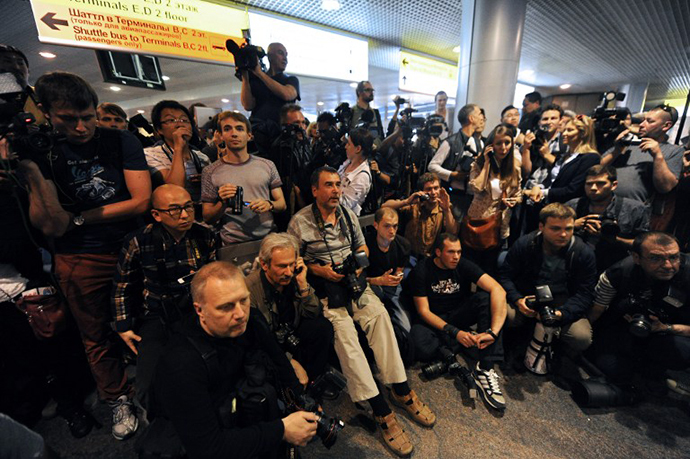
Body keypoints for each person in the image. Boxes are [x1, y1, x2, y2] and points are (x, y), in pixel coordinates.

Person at [18, 71, 151, 440]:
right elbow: (48, 223)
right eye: (69, 119)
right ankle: (118, 398)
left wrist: (78, 218)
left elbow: (140, 199)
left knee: (150, 319)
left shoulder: (120, 139)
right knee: (95, 334)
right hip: (79, 257)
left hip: (131, 246)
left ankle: (157, 388)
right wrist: (29, 169)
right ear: (46, 112)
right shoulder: (40, 151)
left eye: (88, 116)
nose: (81, 127)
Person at [288, 166, 435, 457]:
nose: (335, 190)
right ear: (315, 190)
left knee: (380, 318)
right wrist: (319, 270)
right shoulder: (299, 222)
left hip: (353, 283)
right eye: (328, 185)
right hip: (324, 289)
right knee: (345, 337)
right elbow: (293, 263)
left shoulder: (347, 214)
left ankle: (401, 387)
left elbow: (362, 249)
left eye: (337, 185)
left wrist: (356, 266)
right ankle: (380, 408)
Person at [152, 261, 318, 459]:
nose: (240, 314)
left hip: (243, 415)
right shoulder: (181, 363)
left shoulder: (252, 320)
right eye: (226, 307)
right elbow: (208, 449)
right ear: (199, 310)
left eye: (243, 301)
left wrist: (304, 401)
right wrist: (281, 430)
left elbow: (279, 361)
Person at [112, 184, 217, 413]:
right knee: (148, 385)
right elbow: (122, 287)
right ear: (156, 214)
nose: (184, 215)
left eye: (189, 207)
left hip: (195, 310)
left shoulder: (204, 235)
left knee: (211, 368)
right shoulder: (139, 241)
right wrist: (122, 326)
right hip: (157, 314)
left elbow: (213, 279)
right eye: (174, 209)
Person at [410, 233, 507, 410]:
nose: (456, 257)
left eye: (459, 252)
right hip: (434, 319)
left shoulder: (462, 264)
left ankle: (485, 367)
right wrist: (456, 332)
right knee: (420, 347)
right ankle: (462, 342)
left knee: (486, 298)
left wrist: (494, 332)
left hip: (457, 314)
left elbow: (498, 289)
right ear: (438, 252)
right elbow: (423, 311)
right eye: (451, 252)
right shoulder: (422, 269)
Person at [498, 203, 597, 369]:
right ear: (541, 227)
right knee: (505, 315)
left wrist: (561, 314)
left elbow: (585, 293)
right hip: (527, 297)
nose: (563, 234)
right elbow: (504, 276)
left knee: (581, 337)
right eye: (556, 229)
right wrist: (517, 300)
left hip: (561, 302)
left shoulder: (583, 253)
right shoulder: (526, 244)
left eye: (569, 228)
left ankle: (557, 349)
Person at [588, 232, 690, 387]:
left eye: (674, 257)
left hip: (664, 332)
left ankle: (651, 366)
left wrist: (666, 327)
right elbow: (596, 311)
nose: (668, 265)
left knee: (683, 353)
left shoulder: (687, 274)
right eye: (656, 258)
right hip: (623, 328)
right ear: (636, 258)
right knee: (612, 368)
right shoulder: (618, 273)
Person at [245, 233, 334, 387]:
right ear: (265, 265)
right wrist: (289, 360)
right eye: (282, 266)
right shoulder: (249, 290)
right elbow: (259, 341)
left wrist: (303, 285)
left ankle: (311, 383)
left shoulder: (294, 277)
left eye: (291, 264)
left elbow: (313, 312)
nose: (288, 272)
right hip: (269, 344)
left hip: (289, 332)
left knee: (322, 327)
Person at [201, 111, 286, 245]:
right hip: (232, 243)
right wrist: (222, 203)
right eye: (227, 129)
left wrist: (269, 204)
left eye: (239, 128)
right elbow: (207, 217)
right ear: (221, 135)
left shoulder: (267, 165)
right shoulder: (210, 171)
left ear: (249, 135)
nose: (234, 133)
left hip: (267, 239)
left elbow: (282, 204)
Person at [566, 165, 649, 272]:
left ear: (613, 185)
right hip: (577, 264)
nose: (593, 188)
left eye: (600, 183)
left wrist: (613, 238)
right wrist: (571, 225)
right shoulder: (572, 206)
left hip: (617, 266)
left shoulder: (634, 209)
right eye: (589, 184)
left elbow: (644, 245)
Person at [463, 123, 522, 274]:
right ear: (491, 145)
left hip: (501, 222)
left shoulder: (514, 167)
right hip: (479, 220)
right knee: (473, 265)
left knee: (492, 266)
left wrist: (514, 200)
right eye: (498, 143)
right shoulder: (478, 164)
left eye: (507, 142)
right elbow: (476, 188)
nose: (503, 147)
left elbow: (518, 193)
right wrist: (487, 163)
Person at [601, 104, 684, 206]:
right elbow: (597, 169)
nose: (641, 124)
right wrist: (616, 151)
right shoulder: (627, 143)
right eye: (643, 120)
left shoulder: (674, 151)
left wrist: (657, 156)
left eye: (650, 121)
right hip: (602, 202)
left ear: (666, 126)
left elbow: (665, 187)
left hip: (633, 211)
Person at [365, 208, 414, 362]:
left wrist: (396, 277)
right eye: (387, 226)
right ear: (375, 225)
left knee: (406, 327)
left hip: (390, 285)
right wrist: (379, 280)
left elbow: (399, 270)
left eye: (395, 226)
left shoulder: (403, 244)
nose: (392, 230)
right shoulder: (365, 244)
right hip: (370, 285)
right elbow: (358, 278)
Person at [523, 114, 601, 205]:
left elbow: (574, 190)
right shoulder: (563, 156)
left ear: (583, 133)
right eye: (564, 130)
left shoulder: (590, 157)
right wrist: (537, 188)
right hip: (549, 203)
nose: (564, 134)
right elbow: (552, 182)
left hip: (568, 207)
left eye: (570, 130)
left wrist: (543, 192)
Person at [241, 42, 300, 157]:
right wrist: (245, 76)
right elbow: (248, 105)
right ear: (269, 56)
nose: (285, 59)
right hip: (260, 138)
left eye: (286, 55)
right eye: (280, 53)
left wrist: (259, 73)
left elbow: (287, 94)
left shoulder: (291, 80)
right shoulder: (256, 80)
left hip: (281, 139)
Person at [145, 100, 211, 203]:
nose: (180, 124)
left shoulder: (202, 157)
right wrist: (178, 148)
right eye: (171, 120)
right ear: (159, 129)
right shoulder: (150, 154)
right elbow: (174, 189)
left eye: (184, 120)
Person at [382, 172, 457, 260]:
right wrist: (406, 202)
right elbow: (384, 207)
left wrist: (447, 209)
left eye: (436, 188)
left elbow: (453, 232)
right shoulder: (414, 204)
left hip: (431, 257)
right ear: (422, 191)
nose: (433, 192)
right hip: (409, 255)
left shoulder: (444, 207)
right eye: (429, 189)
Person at [428, 103, 484, 219]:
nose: (482, 117)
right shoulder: (451, 142)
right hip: (454, 197)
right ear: (471, 118)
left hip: (474, 198)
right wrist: (453, 175)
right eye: (479, 114)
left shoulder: (479, 143)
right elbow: (432, 166)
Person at [338, 127, 373, 215]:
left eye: (349, 144)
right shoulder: (348, 162)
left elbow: (345, 206)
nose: (345, 147)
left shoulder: (362, 177)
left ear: (358, 149)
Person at [351, 80, 385, 147]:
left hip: (376, 152)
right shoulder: (351, 112)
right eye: (368, 90)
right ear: (359, 92)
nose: (371, 93)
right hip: (359, 153)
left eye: (372, 90)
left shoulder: (375, 112)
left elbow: (381, 135)